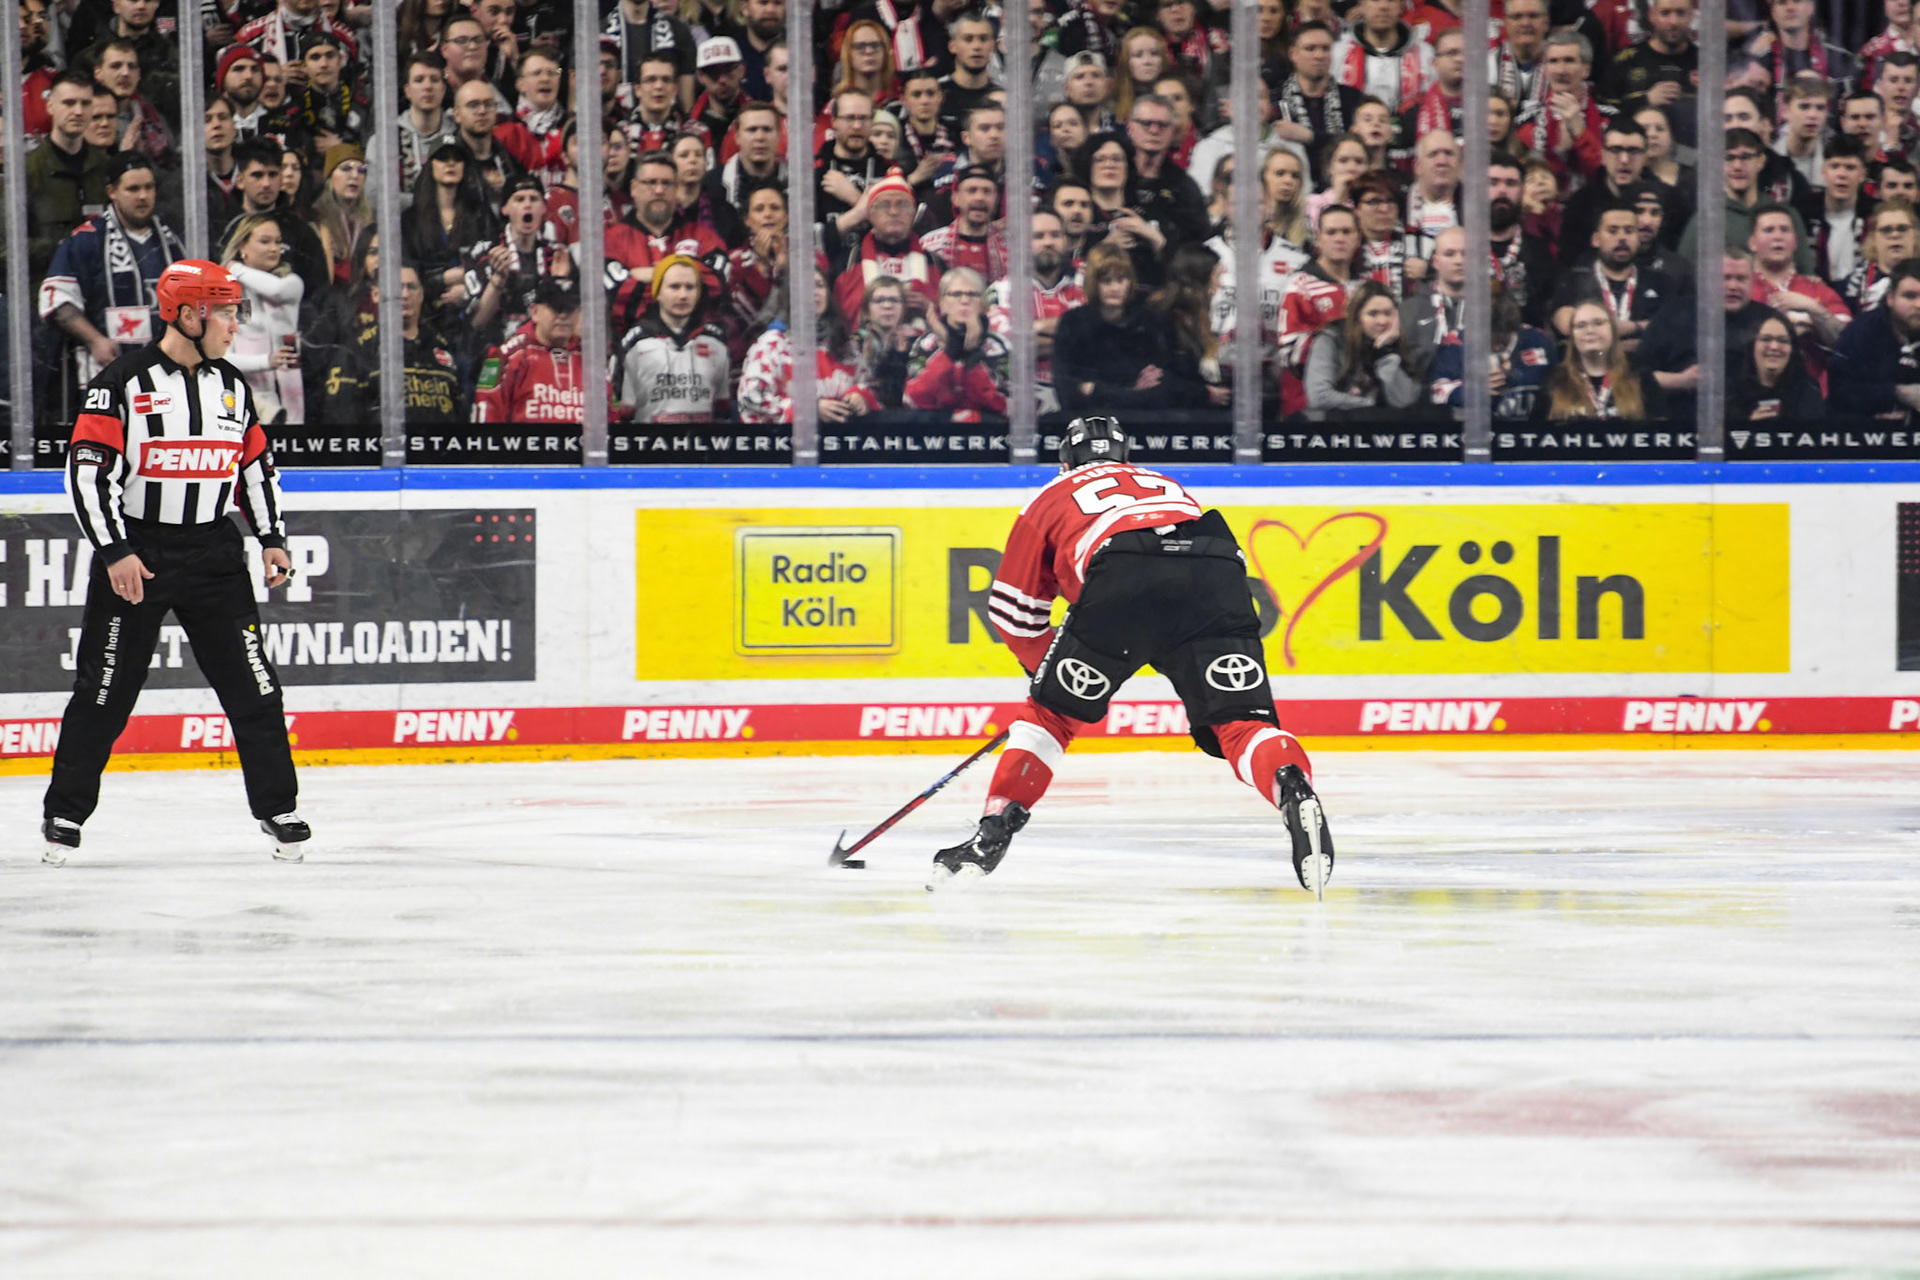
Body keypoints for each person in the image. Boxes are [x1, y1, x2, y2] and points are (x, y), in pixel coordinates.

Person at [935, 415, 1331, 895]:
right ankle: (1290, 785)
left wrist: (1049, 677)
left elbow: (1012, 611)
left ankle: (989, 837)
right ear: (1125, 458)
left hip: (1123, 570)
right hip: (1216, 572)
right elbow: (1185, 560)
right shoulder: (1162, 482)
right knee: (1241, 723)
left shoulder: (1048, 496)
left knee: (1048, 721)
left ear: (1064, 463)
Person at [41, 260, 306, 867]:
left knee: (256, 690)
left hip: (214, 553)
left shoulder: (234, 386)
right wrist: (116, 552)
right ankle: (65, 813)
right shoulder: (119, 384)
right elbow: (87, 476)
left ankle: (278, 806)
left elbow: (255, 469)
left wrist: (271, 537)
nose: (236, 324)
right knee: (104, 693)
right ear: (189, 314)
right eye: (228, 312)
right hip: (140, 552)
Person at [39, 151, 188, 405]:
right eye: (132, 189)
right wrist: (94, 339)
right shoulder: (87, 239)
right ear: (112, 192)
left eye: (148, 187)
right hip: (107, 376)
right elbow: (56, 298)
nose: (142, 196)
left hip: (168, 376)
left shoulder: (174, 240)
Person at [319, 264, 466, 425]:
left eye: (411, 287)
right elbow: (341, 420)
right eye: (396, 287)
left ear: (421, 294)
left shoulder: (440, 348)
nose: (404, 294)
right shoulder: (355, 351)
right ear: (376, 294)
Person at [737, 264, 879, 424]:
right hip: (788, 443)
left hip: (841, 441)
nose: (814, 292)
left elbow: (870, 384)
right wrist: (809, 409)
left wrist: (860, 395)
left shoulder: (845, 345)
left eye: (819, 285)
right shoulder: (773, 344)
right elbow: (752, 399)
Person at [1051, 242, 1173, 413]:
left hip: (1143, 422)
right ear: (1093, 283)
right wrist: (1131, 392)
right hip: (1088, 425)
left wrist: (1095, 390)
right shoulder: (1073, 322)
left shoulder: (1149, 321)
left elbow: (1160, 392)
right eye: (1106, 281)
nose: (1115, 288)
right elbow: (1067, 392)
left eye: (1121, 279)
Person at [987, 208, 1085, 414]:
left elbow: (1099, 341)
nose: (1048, 242)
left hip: (1079, 398)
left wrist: (1032, 329)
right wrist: (1071, 333)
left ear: (1066, 241)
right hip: (1018, 404)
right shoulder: (1001, 290)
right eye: (1038, 236)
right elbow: (1005, 348)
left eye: (1055, 235)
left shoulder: (1087, 286)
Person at [613, 255, 732, 424]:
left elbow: (723, 412)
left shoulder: (716, 341)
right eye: (674, 287)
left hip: (702, 446)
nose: (683, 295)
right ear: (658, 292)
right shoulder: (635, 343)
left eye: (690, 287)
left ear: (698, 293)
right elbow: (622, 414)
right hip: (649, 447)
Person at [219, 213, 306, 425]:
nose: (274, 248)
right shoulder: (234, 295)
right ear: (242, 246)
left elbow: (276, 290)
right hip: (250, 401)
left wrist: (236, 268)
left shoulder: (290, 282)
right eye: (265, 241)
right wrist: (266, 361)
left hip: (291, 398)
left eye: (278, 242)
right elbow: (224, 357)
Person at [472, 276, 590, 424]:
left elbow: (612, 419)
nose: (563, 315)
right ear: (534, 312)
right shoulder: (507, 355)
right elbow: (486, 416)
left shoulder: (592, 359)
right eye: (556, 307)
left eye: (570, 308)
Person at [1429, 283, 1556, 419]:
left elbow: (1557, 385)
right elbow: (1437, 390)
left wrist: (1515, 376)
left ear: (1513, 328)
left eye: (1502, 339)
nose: (1496, 347)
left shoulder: (1538, 341)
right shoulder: (1455, 344)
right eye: (1489, 339)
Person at [904, 266, 1010, 419]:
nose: (965, 300)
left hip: (987, 434)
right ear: (942, 303)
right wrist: (949, 352)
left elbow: (1002, 405)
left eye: (972, 294)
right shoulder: (925, 344)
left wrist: (973, 356)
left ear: (983, 305)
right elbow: (913, 399)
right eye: (956, 294)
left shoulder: (999, 345)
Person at [1535, 298, 1667, 420]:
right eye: (1580, 325)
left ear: (1613, 331)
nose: (1590, 330)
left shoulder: (1640, 377)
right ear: (1572, 337)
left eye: (1598, 323)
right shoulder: (1555, 381)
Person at [1304, 280, 1421, 419]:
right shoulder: (1330, 340)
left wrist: (1386, 353)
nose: (1382, 321)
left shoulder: (1397, 344)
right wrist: (1370, 405)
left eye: (1388, 313)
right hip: (1335, 427)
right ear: (1357, 317)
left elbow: (1405, 401)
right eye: (1373, 314)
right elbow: (1319, 396)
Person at [1829, 260, 1920, 425]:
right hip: (1869, 437)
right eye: (1909, 296)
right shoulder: (1861, 332)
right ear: (1890, 298)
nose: (1918, 305)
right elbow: (1840, 391)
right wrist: (1897, 393)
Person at [1728, 308, 1825, 425]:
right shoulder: (1730, 393)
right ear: (1752, 346)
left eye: (1783, 340)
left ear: (1792, 349)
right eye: (1766, 339)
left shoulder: (1809, 392)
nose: (1774, 347)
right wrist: (1750, 428)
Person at [851, 275, 922, 410]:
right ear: (867, 308)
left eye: (894, 300)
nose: (888, 306)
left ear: (903, 307)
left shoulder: (918, 343)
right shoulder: (853, 343)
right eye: (879, 300)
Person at [1842, 200, 1918, 314]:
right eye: (1886, 230)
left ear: (1915, 235)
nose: (1895, 235)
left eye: (1902, 228)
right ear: (1873, 239)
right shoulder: (1852, 285)